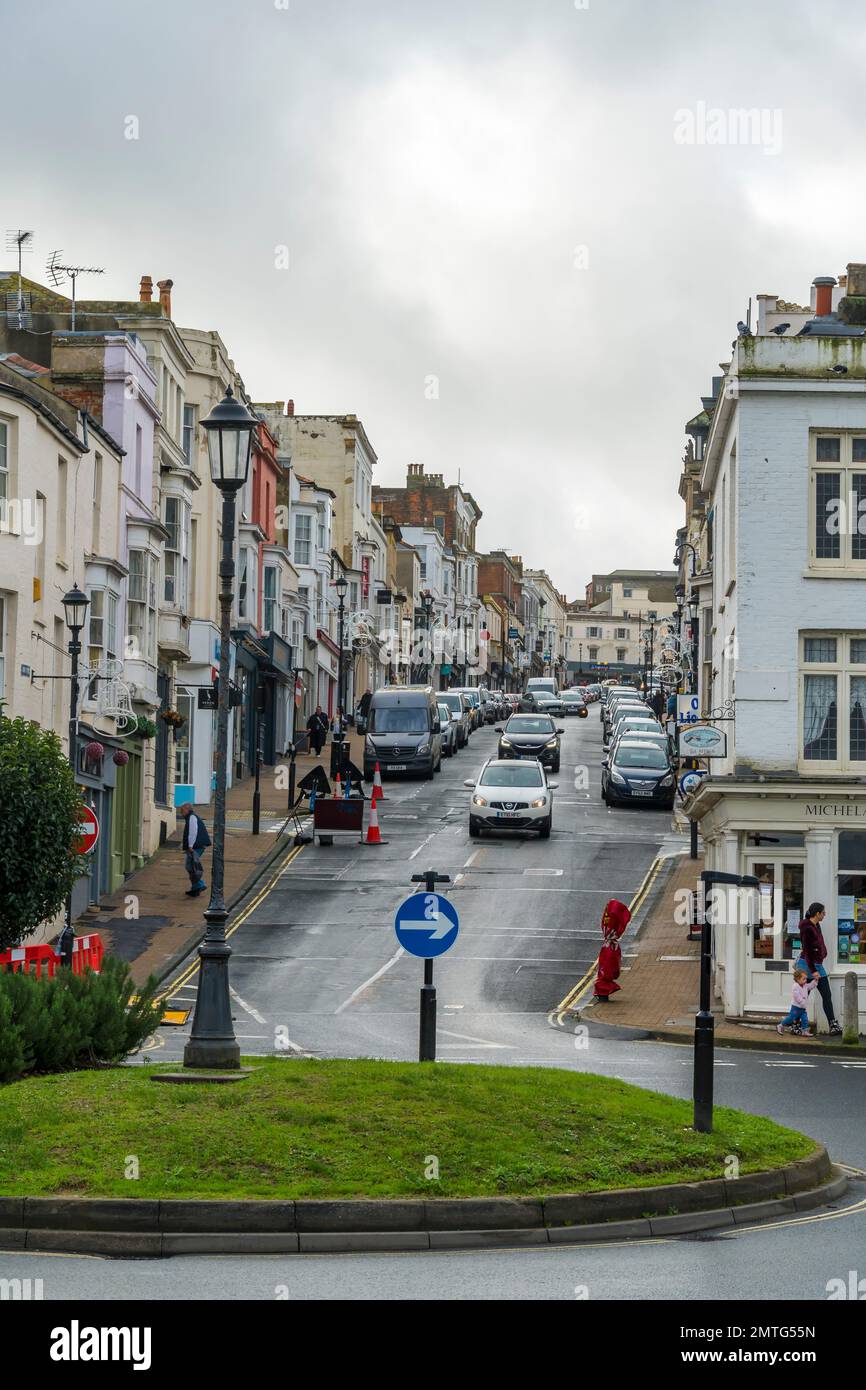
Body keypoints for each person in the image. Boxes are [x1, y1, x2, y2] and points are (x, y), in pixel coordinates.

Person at [794, 902, 842, 1035]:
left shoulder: (816, 925)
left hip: (817, 965)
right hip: (807, 965)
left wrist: (822, 954)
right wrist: (813, 971)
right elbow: (808, 951)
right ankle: (795, 1025)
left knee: (827, 994)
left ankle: (833, 1025)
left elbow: (818, 945)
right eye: (823, 912)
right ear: (817, 914)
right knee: (803, 997)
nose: (825, 914)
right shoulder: (807, 928)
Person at [593, 899, 632, 1001]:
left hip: (608, 949)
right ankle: (603, 992)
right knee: (607, 967)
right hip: (610, 948)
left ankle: (603, 994)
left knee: (606, 967)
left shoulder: (609, 946)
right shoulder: (611, 945)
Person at [180, 802, 210, 898]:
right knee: (192, 866)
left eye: (182, 810)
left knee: (190, 866)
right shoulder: (190, 817)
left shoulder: (192, 817)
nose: (181, 812)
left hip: (196, 846)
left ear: (187, 809)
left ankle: (200, 885)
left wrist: (190, 846)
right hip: (196, 845)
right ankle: (195, 889)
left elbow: (193, 832)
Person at [777, 969, 817, 1036]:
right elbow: (797, 997)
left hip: (802, 1008)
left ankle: (805, 1031)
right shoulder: (795, 987)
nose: (805, 980)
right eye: (803, 979)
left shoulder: (805, 985)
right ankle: (780, 1025)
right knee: (791, 1018)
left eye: (806, 979)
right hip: (796, 1007)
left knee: (805, 1019)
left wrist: (815, 980)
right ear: (798, 979)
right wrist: (802, 1002)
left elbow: (810, 986)